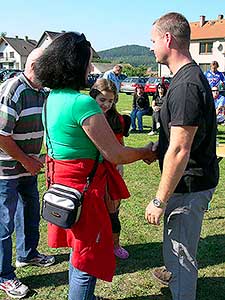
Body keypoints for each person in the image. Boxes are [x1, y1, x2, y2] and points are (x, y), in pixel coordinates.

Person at [34, 31, 157, 300]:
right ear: (73, 63)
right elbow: (115, 154)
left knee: (77, 253)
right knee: (86, 260)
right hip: (85, 192)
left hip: (61, 189)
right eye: (88, 62)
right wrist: (146, 151)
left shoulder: (51, 98)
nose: (91, 68)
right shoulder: (83, 103)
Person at [145, 12, 219, 300]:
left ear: (168, 38)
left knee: (182, 253)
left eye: (153, 41)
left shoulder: (187, 85)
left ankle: (181, 286)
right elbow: (176, 140)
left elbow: (180, 149)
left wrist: (159, 200)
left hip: (189, 185)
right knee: (176, 244)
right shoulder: (184, 79)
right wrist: (159, 148)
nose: (151, 47)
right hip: (188, 180)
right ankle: (173, 272)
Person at [0, 48, 55, 299]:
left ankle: (28, 254)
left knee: (30, 211)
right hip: (6, 169)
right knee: (4, 223)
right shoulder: (14, 89)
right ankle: (3, 276)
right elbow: (1, 135)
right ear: (35, 66)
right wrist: (26, 160)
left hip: (27, 167)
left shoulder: (41, 92)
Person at [90, 78, 130, 260]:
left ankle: (115, 244)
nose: (106, 104)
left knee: (113, 208)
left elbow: (120, 144)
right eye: (102, 100)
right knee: (94, 211)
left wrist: (120, 164)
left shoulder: (118, 119)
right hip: (92, 170)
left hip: (112, 169)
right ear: (94, 97)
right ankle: (97, 243)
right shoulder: (87, 117)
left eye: (110, 101)